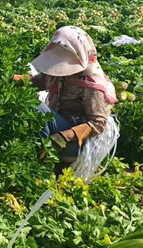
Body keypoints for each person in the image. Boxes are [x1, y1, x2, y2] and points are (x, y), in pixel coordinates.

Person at [16, 26, 117, 168]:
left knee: (36, 107)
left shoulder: (90, 84)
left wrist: (65, 136)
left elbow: (98, 123)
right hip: (59, 125)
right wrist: (14, 79)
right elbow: (38, 82)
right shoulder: (57, 74)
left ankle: (39, 162)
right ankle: (38, 154)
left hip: (76, 142)